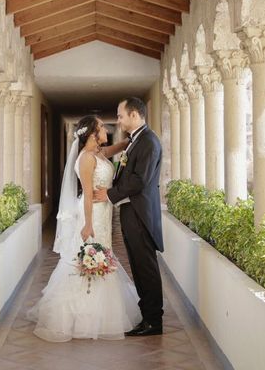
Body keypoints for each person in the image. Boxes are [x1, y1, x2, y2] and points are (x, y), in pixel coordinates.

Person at [26, 115, 142, 342]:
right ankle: (81, 317)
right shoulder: (86, 159)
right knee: (88, 255)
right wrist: (88, 224)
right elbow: (87, 195)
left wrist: (133, 139)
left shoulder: (98, 153)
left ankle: (98, 312)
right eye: (101, 127)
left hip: (103, 211)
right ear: (91, 134)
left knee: (103, 254)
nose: (106, 130)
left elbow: (115, 149)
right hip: (92, 213)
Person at [94, 97, 164, 336]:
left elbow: (139, 180)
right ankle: (147, 318)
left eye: (121, 115)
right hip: (131, 212)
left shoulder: (148, 142)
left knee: (146, 268)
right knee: (138, 266)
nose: (119, 119)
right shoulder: (136, 141)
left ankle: (154, 321)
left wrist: (109, 194)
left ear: (134, 115)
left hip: (141, 215)